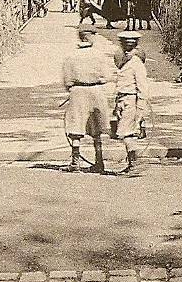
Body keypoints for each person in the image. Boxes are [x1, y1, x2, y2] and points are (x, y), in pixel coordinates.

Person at [61, 26, 114, 173]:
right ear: (90, 37)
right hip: (96, 91)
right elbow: (106, 77)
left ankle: (75, 162)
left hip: (78, 92)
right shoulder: (99, 55)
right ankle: (99, 161)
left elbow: (67, 81)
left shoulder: (71, 56)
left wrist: (74, 88)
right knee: (96, 128)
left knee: (76, 127)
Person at [111, 31, 149, 174]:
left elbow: (142, 88)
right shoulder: (125, 60)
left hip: (131, 100)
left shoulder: (136, 63)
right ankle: (131, 163)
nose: (126, 46)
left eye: (129, 44)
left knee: (125, 133)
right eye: (124, 43)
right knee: (126, 132)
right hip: (123, 100)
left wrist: (140, 109)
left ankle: (134, 164)